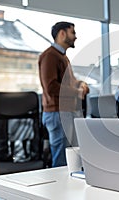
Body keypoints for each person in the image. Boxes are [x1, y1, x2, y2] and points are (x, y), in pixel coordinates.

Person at [39, 21, 89, 167]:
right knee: (61, 160)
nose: (75, 37)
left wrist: (81, 84)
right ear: (62, 34)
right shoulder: (50, 56)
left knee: (71, 160)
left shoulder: (62, 56)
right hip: (57, 113)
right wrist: (77, 92)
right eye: (72, 32)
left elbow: (69, 82)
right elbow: (51, 87)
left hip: (66, 112)